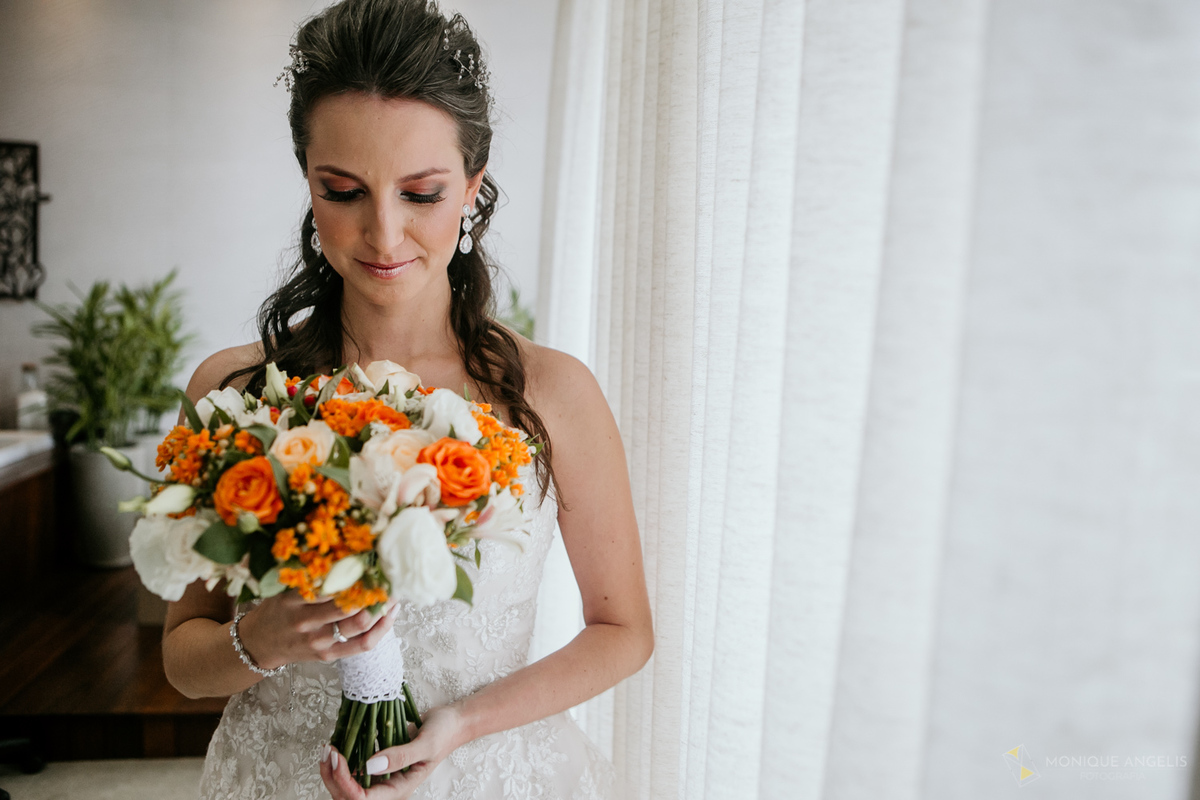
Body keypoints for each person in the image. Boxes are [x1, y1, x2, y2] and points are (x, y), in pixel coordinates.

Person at [161, 1, 654, 798]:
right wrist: (263, 638)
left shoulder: (553, 392)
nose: (384, 235)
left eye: (421, 193)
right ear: (308, 181)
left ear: (471, 189)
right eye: (343, 190)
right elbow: (182, 661)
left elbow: (623, 631)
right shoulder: (235, 392)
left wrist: (462, 726)